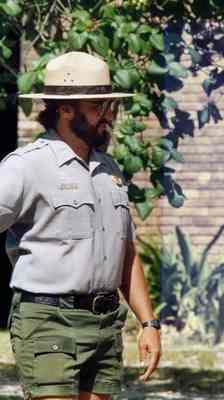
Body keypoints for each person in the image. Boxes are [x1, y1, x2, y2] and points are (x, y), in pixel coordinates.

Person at [1, 51, 161, 400]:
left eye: (110, 106)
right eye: (98, 106)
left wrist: (149, 323)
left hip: (105, 325)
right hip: (48, 320)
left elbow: (127, 252)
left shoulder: (110, 171)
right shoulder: (26, 167)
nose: (109, 116)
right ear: (65, 109)